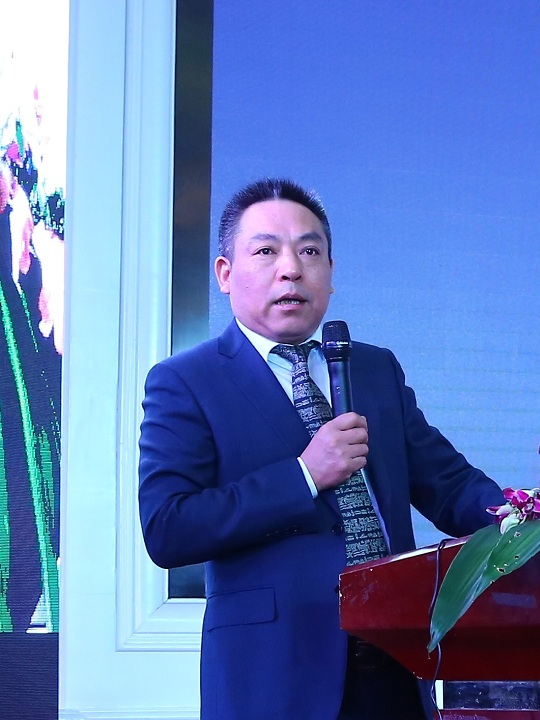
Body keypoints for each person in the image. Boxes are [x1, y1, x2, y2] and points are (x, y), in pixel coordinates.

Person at [138, 178, 504, 720]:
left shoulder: (372, 368)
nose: (291, 269)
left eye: (309, 252)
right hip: (274, 678)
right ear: (225, 273)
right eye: (266, 251)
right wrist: (305, 475)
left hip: (395, 662)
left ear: (330, 272)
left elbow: (450, 485)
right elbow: (168, 527)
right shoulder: (186, 381)